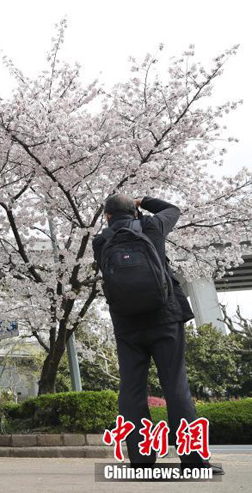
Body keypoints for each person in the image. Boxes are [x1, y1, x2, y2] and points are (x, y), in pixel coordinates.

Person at [93, 194, 223, 474]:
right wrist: (144, 202)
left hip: (127, 324)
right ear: (135, 212)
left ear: (107, 217)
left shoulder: (100, 241)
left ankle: (140, 460)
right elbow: (173, 209)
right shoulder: (152, 227)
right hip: (165, 317)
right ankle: (193, 460)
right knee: (176, 386)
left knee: (131, 390)